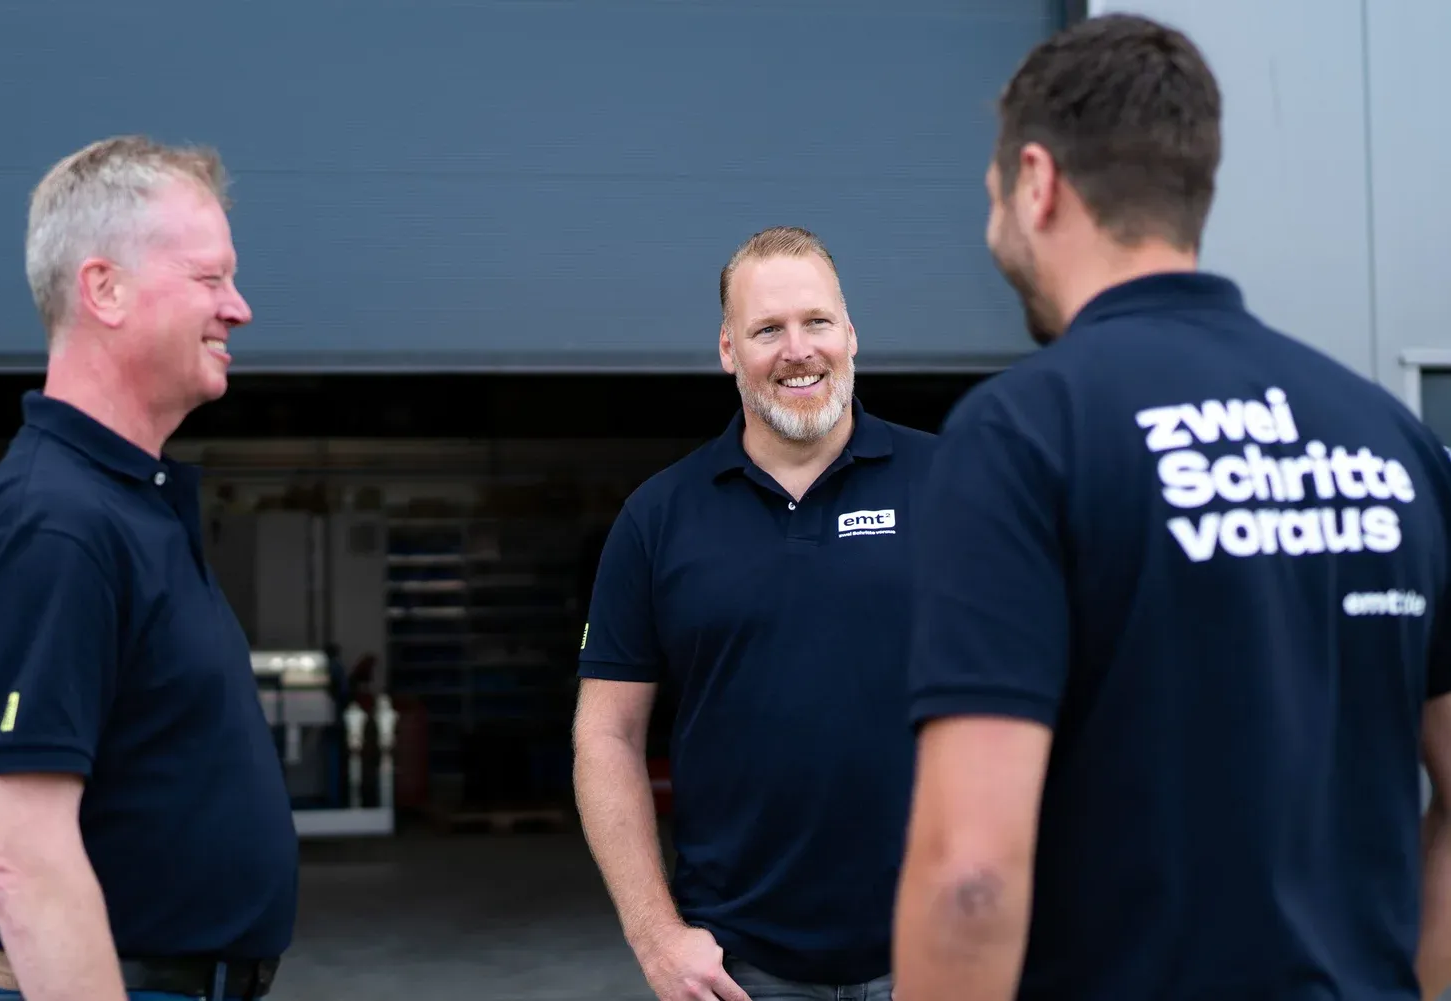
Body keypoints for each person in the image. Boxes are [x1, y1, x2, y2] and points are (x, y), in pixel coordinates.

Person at [891, 13, 1451, 1001]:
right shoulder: (1387, 439)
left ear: (1037, 181)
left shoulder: (1026, 433)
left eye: (992, 198)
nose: (992, 227)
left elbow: (969, 878)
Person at [0, 136, 298, 1000]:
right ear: (104, 289)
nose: (240, 307)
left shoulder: (124, 504)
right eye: (210, 279)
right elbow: (20, 855)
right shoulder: (54, 522)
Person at [573, 226, 936, 1001]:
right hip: (740, 973)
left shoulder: (956, 484)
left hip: (938, 958)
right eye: (767, 329)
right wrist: (656, 934)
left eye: (817, 322)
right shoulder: (658, 518)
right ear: (729, 350)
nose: (797, 349)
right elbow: (606, 734)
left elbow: (1045, 693)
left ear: (852, 335)